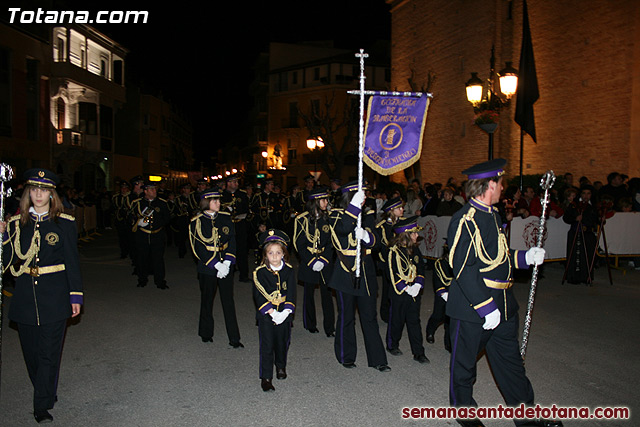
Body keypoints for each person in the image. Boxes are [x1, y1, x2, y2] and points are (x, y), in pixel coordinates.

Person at [446, 159, 562, 427]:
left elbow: (498, 258)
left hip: (504, 305)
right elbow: (464, 269)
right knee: (464, 367)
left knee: (511, 365)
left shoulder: (492, 214)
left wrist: (524, 258)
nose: (503, 188)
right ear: (489, 185)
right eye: (501, 183)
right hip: (474, 307)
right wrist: (486, 307)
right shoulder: (465, 220)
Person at [0, 168, 83, 423]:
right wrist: (2, 236)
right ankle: (44, 387)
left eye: (44, 190)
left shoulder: (64, 223)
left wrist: (75, 296)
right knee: (32, 355)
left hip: (55, 296)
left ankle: (41, 403)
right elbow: (6, 263)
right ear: (28, 193)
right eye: (34, 189)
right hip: (25, 297)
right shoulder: (16, 224)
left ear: (51, 194)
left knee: (49, 353)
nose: (38, 194)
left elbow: (72, 262)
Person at [328, 181, 390, 372]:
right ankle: (346, 355)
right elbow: (342, 229)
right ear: (350, 196)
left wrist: (367, 237)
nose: (364, 199)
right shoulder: (336, 214)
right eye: (359, 195)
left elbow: (377, 242)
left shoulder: (368, 213)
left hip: (365, 270)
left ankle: (378, 359)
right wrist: (353, 208)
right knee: (346, 316)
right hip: (345, 271)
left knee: (369, 316)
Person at [188, 188, 242, 347]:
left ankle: (234, 338)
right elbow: (198, 248)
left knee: (228, 301)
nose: (219, 203)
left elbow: (232, 240)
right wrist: (215, 264)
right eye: (215, 201)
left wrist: (227, 262)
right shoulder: (196, 221)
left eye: (219, 200)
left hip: (225, 264)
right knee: (207, 300)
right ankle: (205, 332)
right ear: (206, 202)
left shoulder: (225, 217)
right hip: (208, 266)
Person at [253, 229, 296, 392]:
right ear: (265, 255)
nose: (275, 256)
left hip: (284, 313)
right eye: (271, 253)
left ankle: (280, 366)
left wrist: (285, 312)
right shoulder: (259, 273)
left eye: (278, 253)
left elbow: (291, 292)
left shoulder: (289, 271)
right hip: (267, 315)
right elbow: (258, 295)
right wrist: (272, 312)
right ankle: (266, 377)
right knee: (267, 344)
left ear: (284, 254)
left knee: (282, 341)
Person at [385, 216, 429, 364]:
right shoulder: (394, 252)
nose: (417, 235)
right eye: (414, 233)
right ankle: (392, 344)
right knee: (397, 320)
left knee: (414, 321)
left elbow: (421, 268)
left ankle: (418, 352)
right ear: (406, 235)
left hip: (414, 292)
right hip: (400, 293)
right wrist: (405, 287)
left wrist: (418, 284)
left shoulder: (415, 250)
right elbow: (392, 273)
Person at [293, 186, 335, 337]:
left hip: (325, 260)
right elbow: (299, 243)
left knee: (327, 294)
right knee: (309, 293)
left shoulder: (328, 217)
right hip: (309, 260)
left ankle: (330, 327)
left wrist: (324, 259)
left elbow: (332, 242)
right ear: (315, 201)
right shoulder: (302, 219)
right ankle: (310, 324)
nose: (326, 202)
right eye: (324, 199)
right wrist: (311, 261)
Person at [129, 180, 171, 289]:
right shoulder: (137, 203)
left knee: (158, 259)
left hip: (157, 235)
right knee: (142, 258)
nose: (154, 191)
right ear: (145, 191)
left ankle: (160, 281)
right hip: (142, 235)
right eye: (151, 189)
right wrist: (138, 223)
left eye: (154, 189)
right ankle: (142, 279)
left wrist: (159, 224)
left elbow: (167, 218)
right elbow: (130, 217)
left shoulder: (162, 203)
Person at [375, 197, 404, 323]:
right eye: (399, 208)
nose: (402, 210)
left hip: (403, 262)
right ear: (392, 211)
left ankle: (400, 312)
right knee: (388, 289)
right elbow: (384, 247)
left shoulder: (404, 223)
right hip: (388, 263)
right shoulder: (382, 227)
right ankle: (386, 313)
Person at [562, 185, 599, 285]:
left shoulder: (594, 206)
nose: (586, 196)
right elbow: (566, 218)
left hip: (588, 234)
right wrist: (575, 218)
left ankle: (586, 277)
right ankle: (574, 277)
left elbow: (596, 219)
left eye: (588, 193)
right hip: (576, 233)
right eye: (584, 193)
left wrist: (601, 219)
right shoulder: (574, 205)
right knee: (576, 255)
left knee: (588, 255)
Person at [221, 174, 251, 282]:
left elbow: (246, 209)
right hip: (228, 226)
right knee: (227, 249)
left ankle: (244, 275)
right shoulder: (222, 195)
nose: (237, 184)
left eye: (237, 182)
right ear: (228, 183)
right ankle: (228, 272)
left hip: (239, 225)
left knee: (242, 250)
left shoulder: (242, 195)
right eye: (234, 182)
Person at [425, 247, 452, 353]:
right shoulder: (440, 263)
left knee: (450, 319)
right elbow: (437, 280)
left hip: (454, 293)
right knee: (438, 315)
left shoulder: (459, 261)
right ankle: (430, 331)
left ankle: (448, 342)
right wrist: (443, 293)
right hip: (443, 293)